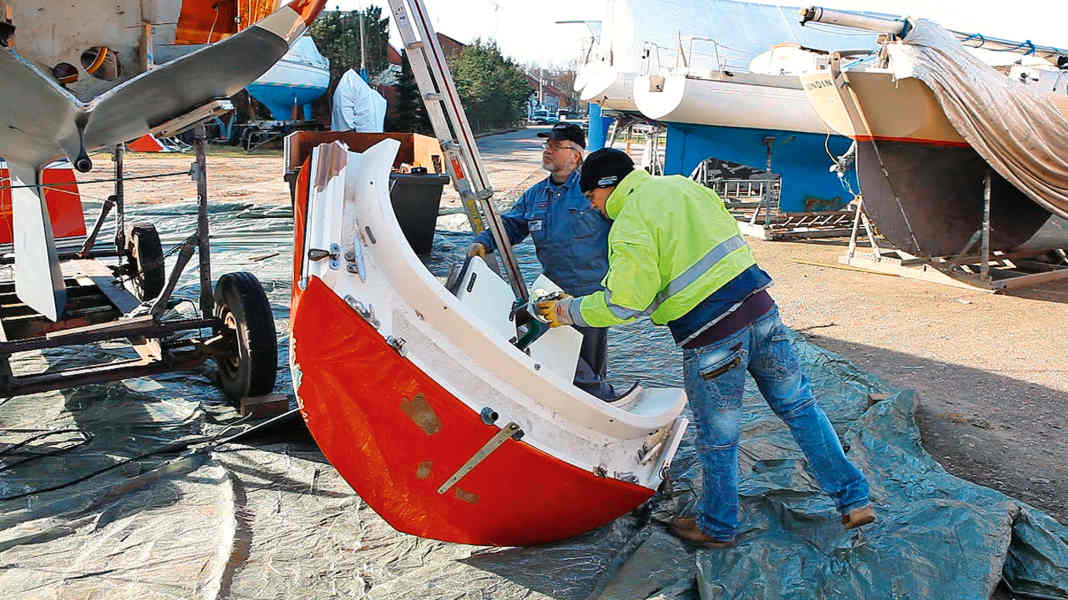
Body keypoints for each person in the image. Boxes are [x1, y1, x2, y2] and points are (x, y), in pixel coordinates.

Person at [535, 148, 876, 547]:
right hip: (762, 312)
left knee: (719, 438)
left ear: (607, 186)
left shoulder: (629, 221)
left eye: (592, 197)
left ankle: (717, 527)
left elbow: (623, 304)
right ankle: (854, 500)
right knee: (801, 410)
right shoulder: (683, 186)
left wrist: (566, 310)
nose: (593, 208)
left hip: (713, 336)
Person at [467, 123, 616, 400]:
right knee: (557, 356)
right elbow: (511, 225)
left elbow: (626, 230)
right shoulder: (536, 195)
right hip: (553, 291)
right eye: (547, 144)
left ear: (576, 155)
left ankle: (604, 404)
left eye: (556, 146)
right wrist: (484, 242)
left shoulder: (595, 192)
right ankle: (578, 403)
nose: (547, 150)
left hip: (591, 294)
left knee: (588, 364)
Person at [330, 68, 386, 133]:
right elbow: (341, 107)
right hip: (359, 136)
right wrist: (347, 130)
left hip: (374, 135)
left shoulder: (373, 93)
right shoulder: (350, 81)